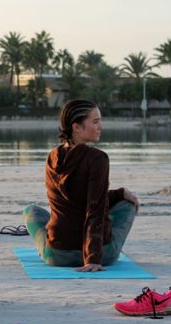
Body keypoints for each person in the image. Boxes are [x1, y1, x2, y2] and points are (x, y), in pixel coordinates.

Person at [23, 99, 139, 272]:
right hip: (101, 254)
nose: (100, 127)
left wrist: (117, 193)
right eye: (95, 122)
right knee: (128, 204)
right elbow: (95, 208)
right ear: (77, 127)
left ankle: (49, 246)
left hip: (57, 254)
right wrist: (92, 258)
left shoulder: (52, 157)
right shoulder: (97, 158)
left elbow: (80, 198)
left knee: (31, 211)